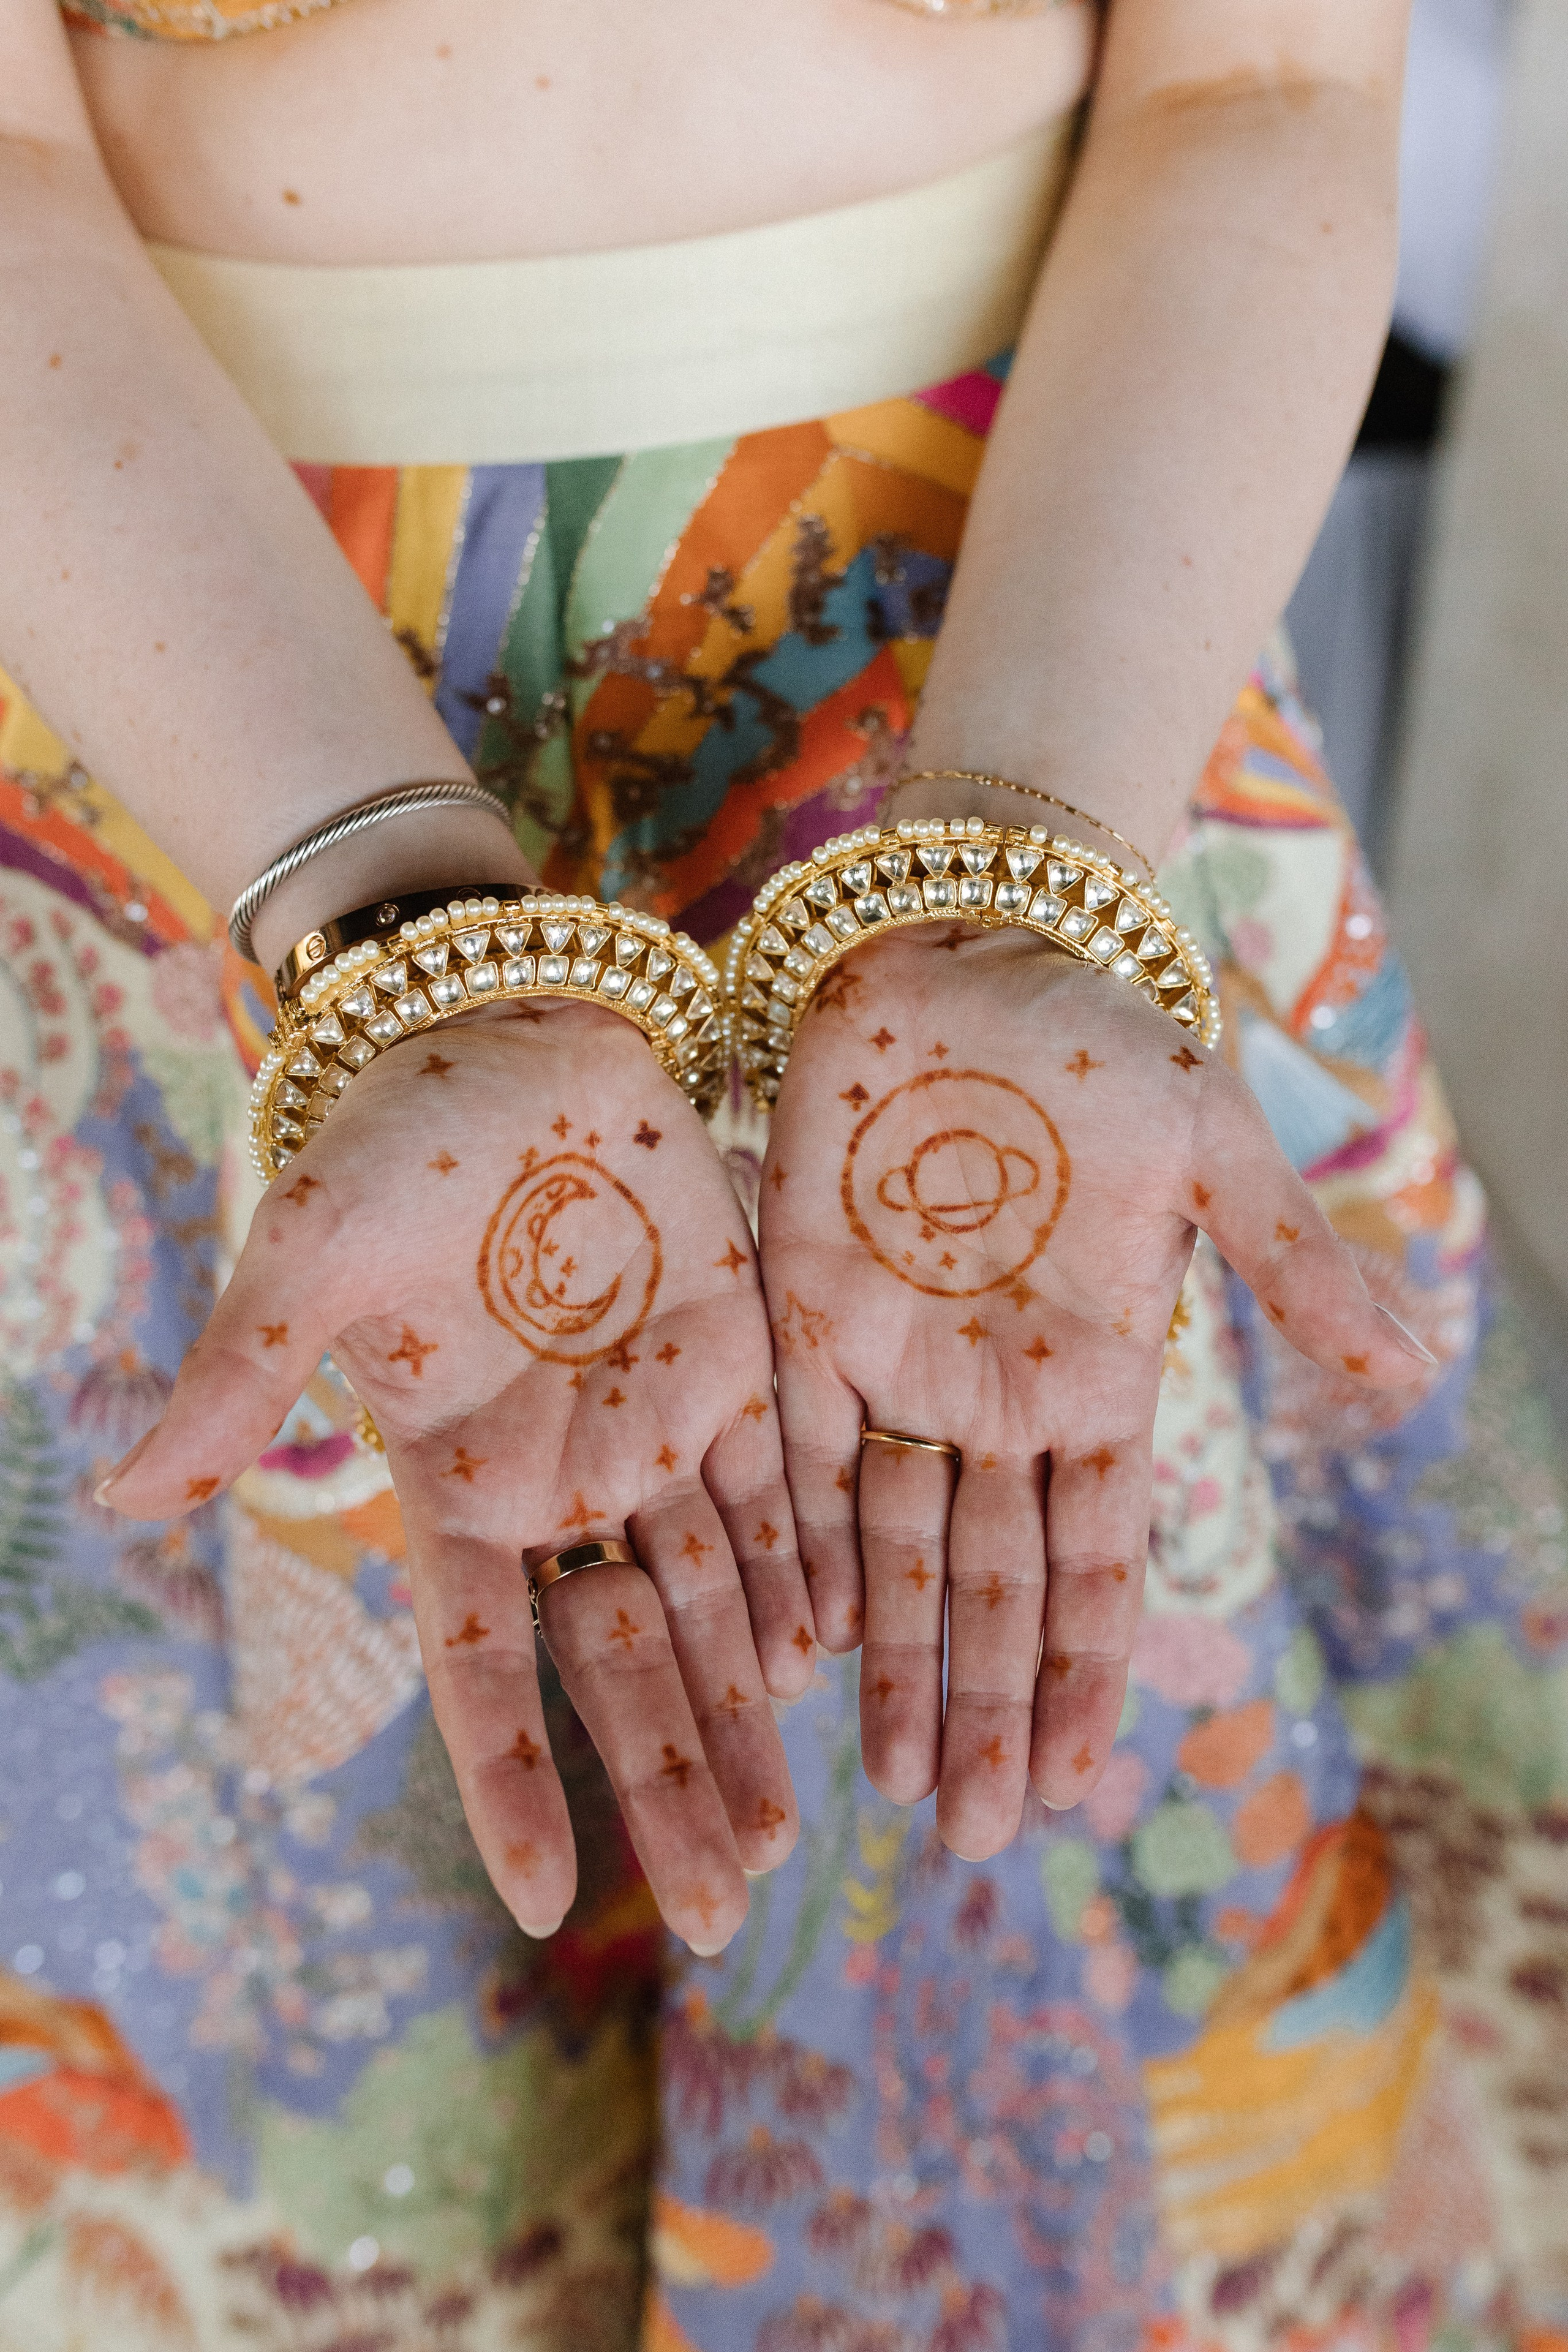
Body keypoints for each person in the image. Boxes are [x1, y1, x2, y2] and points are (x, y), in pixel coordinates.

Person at [1, 2, 1562, 2346]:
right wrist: (389, 936)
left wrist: (1035, 857)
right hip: (198, 710)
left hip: (1040, 672)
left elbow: (1264, 86)